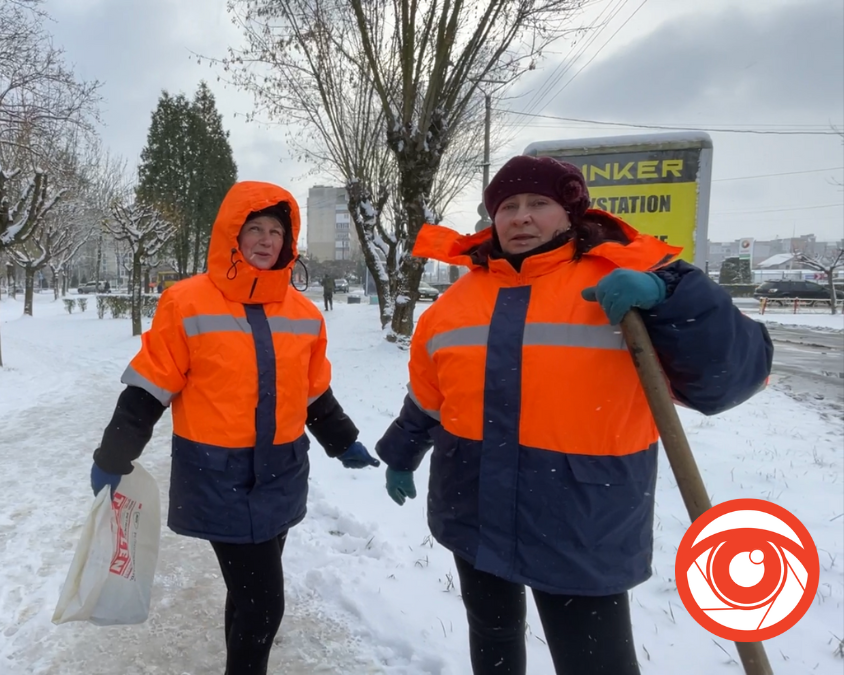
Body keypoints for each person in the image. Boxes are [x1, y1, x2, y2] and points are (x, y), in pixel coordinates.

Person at [374, 155, 773, 675]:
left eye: (539, 203)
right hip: (472, 502)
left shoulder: (625, 279)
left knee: (594, 661)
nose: (521, 217)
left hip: (583, 511)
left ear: (569, 213)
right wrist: (402, 453)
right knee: (492, 635)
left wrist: (669, 296)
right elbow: (430, 396)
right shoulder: (452, 305)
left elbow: (734, 374)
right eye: (508, 206)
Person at [90, 181, 380, 675]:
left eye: (276, 231)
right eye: (254, 229)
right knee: (265, 604)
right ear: (231, 234)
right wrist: (113, 456)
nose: (266, 240)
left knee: (249, 598)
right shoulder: (188, 303)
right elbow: (150, 387)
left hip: (282, 472)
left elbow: (312, 392)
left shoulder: (305, 313)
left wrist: (343, 440)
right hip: (218, 475)